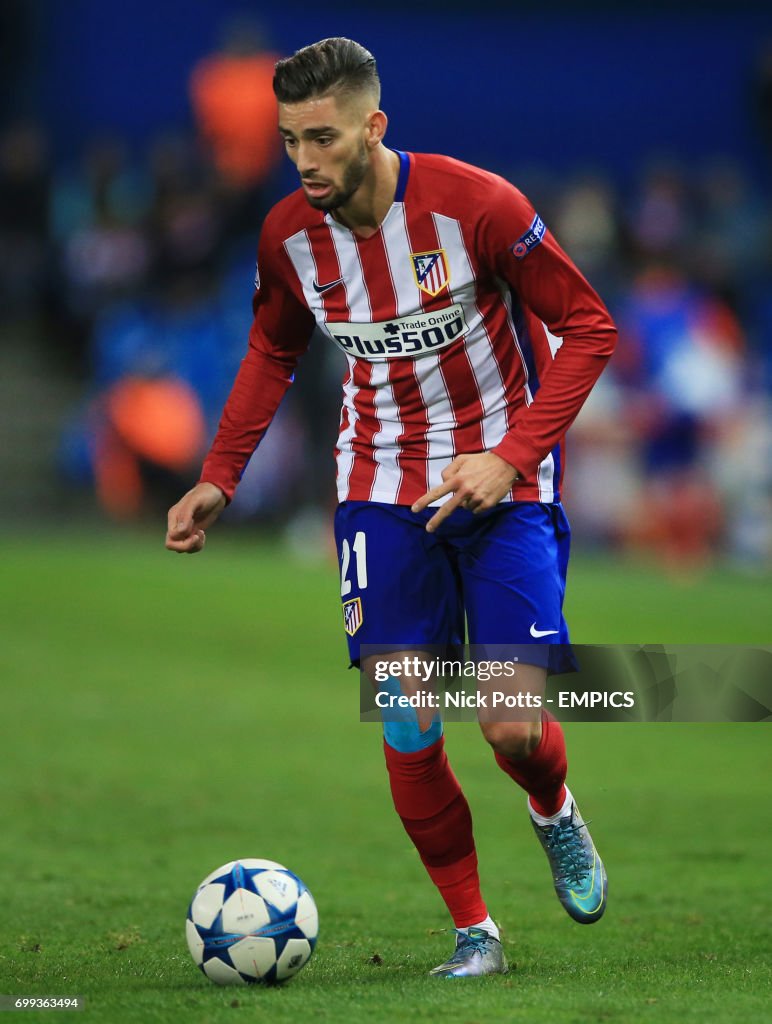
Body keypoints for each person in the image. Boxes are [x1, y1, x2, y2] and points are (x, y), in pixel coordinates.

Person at [166, 37, 616, 978]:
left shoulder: (480, 206)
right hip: (378, 485)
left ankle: (554, 810)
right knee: (406, 711)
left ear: (374, 127)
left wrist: (511, 454)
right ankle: (475, 933)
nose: (305, 160)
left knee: (510, 727)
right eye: (290, 140)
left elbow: (589, 328)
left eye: (323, 138)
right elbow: (272, 350)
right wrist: (221, 472)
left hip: (504, 483)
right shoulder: (289, 234)